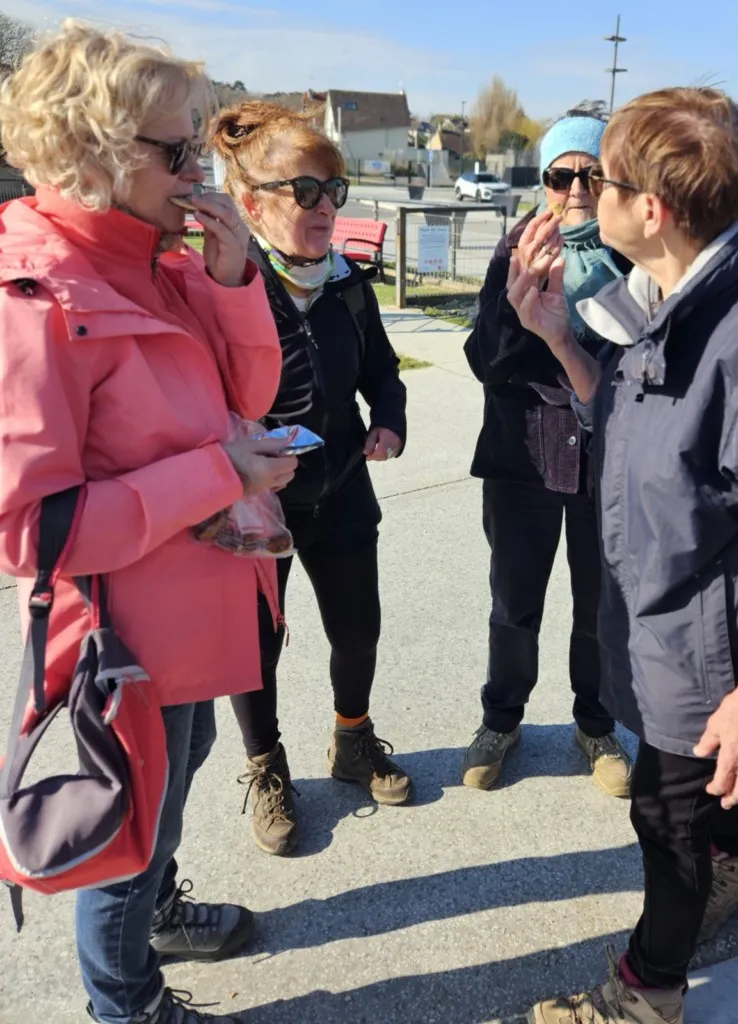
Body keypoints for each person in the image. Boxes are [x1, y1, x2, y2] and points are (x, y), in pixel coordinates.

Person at [509, 87, 738, 1024]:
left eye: (600, 181)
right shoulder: (660, 300)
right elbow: (637, 431)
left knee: (664, 818)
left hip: (715, 659)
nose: (583, 195)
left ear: (651, 209)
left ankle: (646, 992)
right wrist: (558, 337)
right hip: (662, 629)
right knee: (693, 798)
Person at [0, 22, 294, 1024]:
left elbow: (250, 393)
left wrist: (234, 280)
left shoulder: (160, 259)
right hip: (124, 636)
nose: (200, 171)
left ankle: (155, 911)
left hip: (197, 609)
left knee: (182, 768)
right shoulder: (34, 292)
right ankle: (127, 1004)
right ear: (95, 152)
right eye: (179, 152)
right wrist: (217, 474)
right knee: (132, 823)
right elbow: (32, 528)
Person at [211, 101, 411, 858]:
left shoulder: (349, 285)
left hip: (344, 488)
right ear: (253, 201)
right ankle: (266, 766)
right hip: (260, 503)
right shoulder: (232, 288)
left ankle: (352, 741)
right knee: (254, 646)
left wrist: (389, 419)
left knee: (357, 630)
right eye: (305, 190)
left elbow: (383, 371)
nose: (325, 206)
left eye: (334, 190)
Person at [461, 110, 633, 795]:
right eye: (562, 177)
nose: (577, 190)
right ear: (544, 182)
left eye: (594, 174)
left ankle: (596, 725)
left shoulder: (634, 256)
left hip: (604, 463)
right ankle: (500, 721)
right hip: (522, 459)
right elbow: (484, 362)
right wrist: (515, 302)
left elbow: (642, 370)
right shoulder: (517, 248)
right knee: (514, 605)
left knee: (600, 607)